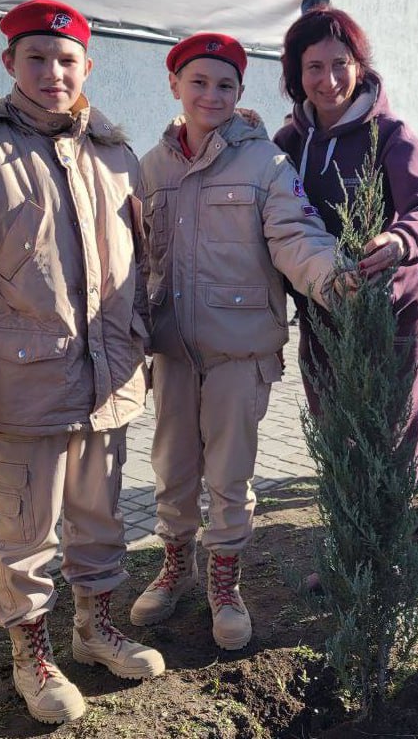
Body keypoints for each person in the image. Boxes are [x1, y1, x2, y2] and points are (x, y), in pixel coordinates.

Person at [0, 0, 163, 726]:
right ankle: (33, 655)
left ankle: (94, 631)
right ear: (10, 65)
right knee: (25, 531)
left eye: (66, 60)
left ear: (87, 67)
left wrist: (140, 346)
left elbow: (140, 267)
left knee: (101, 521)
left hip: (109, 382)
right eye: (37, 58)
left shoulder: (115, 155)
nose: (53, 72)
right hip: (21, 383)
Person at [127, 33, 341, 649]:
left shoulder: (267, 164)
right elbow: (140, 257)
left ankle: (226, 581)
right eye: (198, 82)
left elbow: (295, 234)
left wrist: (335, 279)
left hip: (240, 350)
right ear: (174, 85)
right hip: (171, 349)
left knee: (229, 473)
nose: (211, 94)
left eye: (226, 85)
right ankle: (175, 567)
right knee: (172, 467)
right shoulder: (152, 166)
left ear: (240, 94)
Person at [272, 4, 418, 483]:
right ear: (296, 74)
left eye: (340, 64)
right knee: (337, 437)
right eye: (314, 67)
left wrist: (400, 238)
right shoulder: (287, 142)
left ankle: (387, 537)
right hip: (323, 313)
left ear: (359, 66)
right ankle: (349, 530)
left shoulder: (390, 135)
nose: (328, 79)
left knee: (391, 440)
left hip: (394, 311)